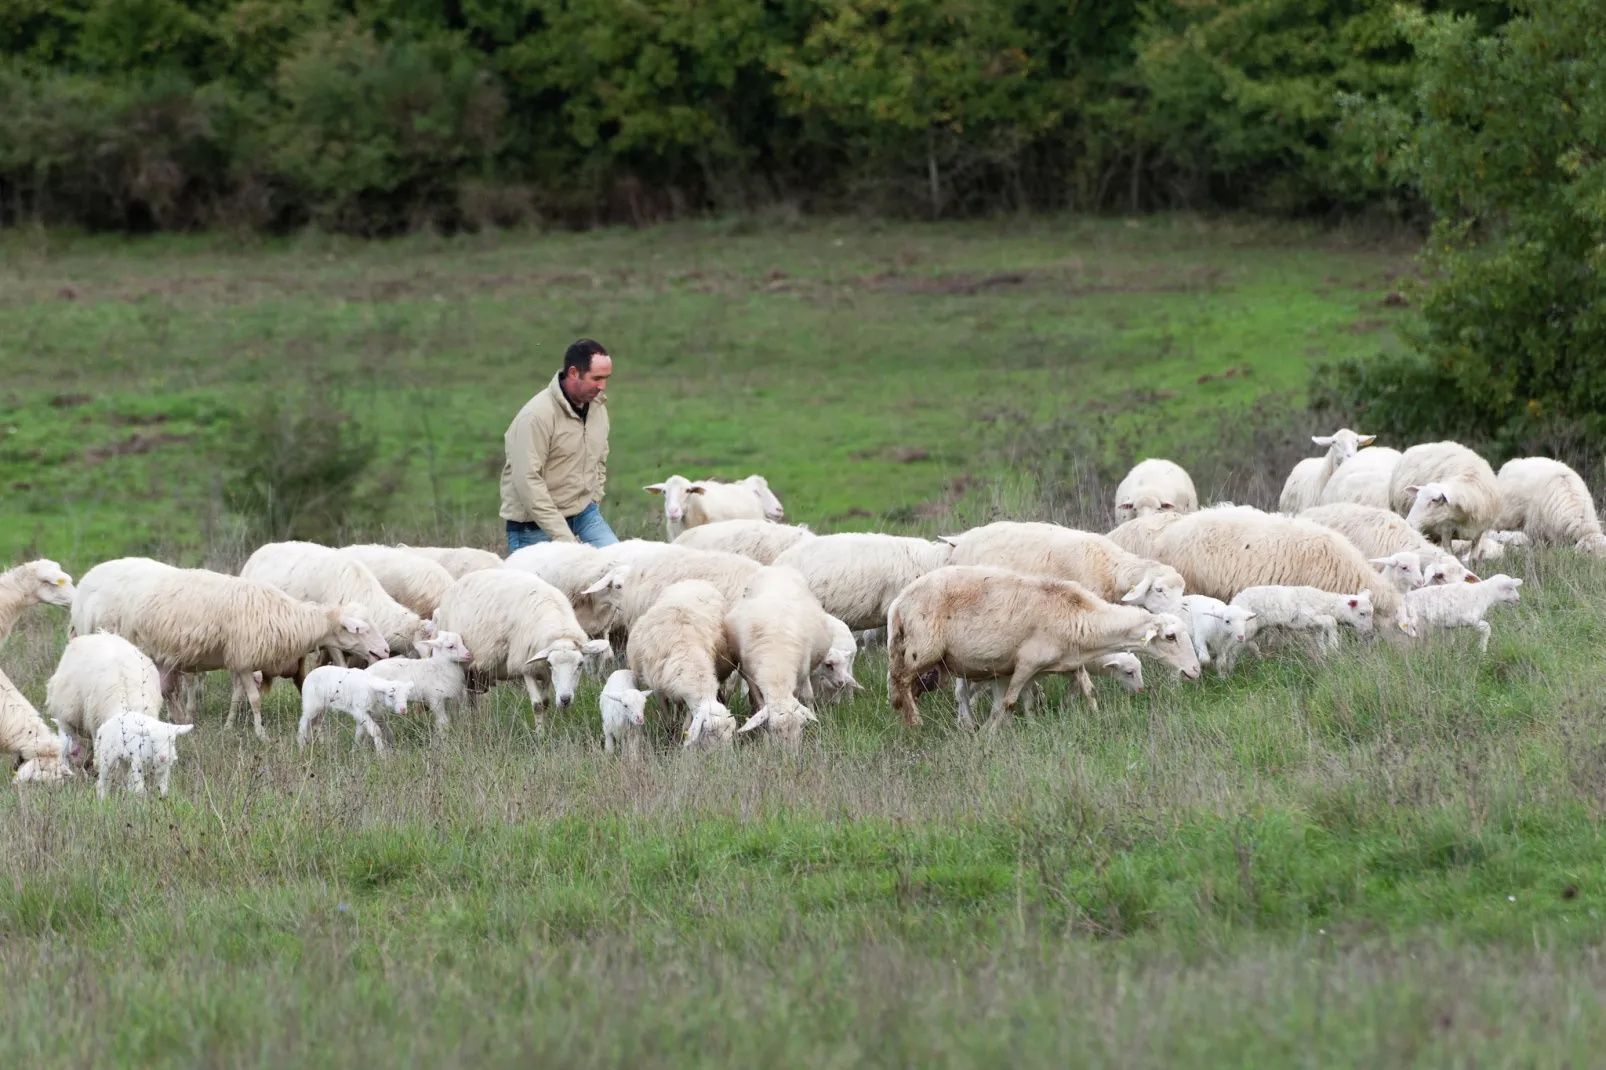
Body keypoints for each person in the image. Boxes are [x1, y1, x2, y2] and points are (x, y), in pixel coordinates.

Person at [499, 339, 619, 551]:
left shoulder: (598, 408)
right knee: (544, 577)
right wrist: (564, 538)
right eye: (596, 378)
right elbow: (528, 481)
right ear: (573, 373)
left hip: (584, 514)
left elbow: (600, 456)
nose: (602, 386)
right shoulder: (535, 417)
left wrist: (594, 499)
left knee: (618, 565)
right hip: (533, 526)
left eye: (606, 378)